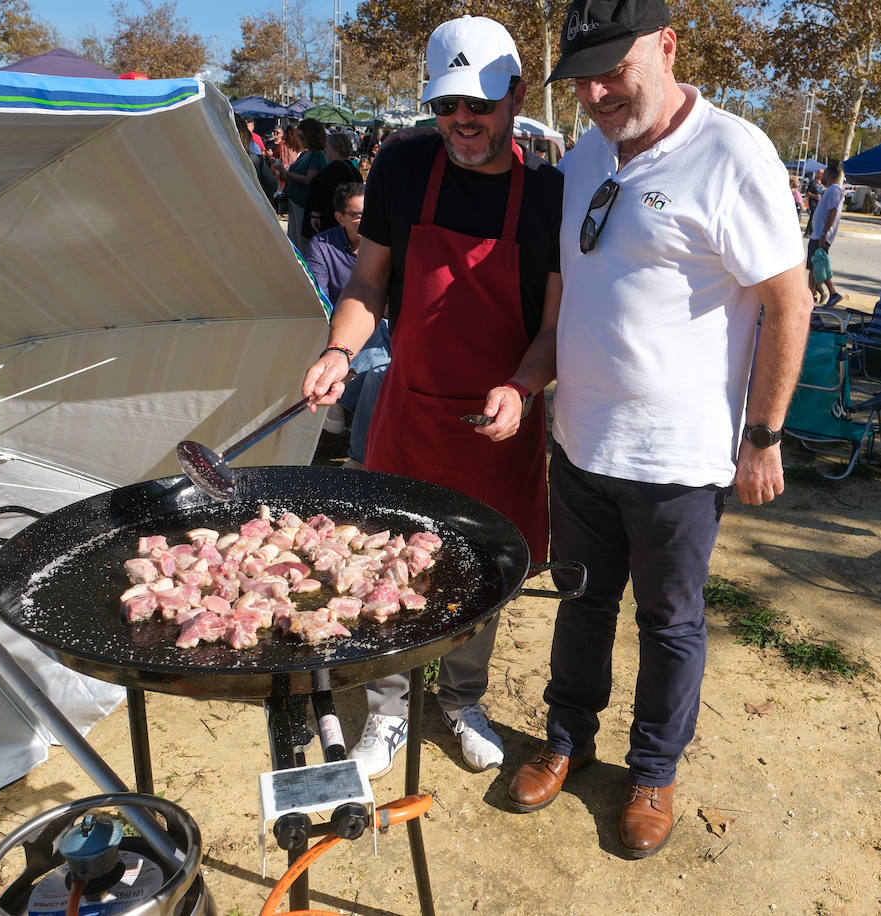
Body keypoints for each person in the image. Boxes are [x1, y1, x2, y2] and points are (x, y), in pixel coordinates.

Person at [506, 0, 812, 860]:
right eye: (584, 76)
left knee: (670, 623)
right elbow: (568, 289)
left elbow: (790, 303)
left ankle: (652, 773)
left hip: (678, 459)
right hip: (580, 443)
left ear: (669, 46)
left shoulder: (733, 152)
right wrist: (536, 382)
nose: (598, 91)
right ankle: (567, 738)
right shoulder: (580, 159)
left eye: (616, 68)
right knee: (580, 603)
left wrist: (764, 435)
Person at [299, 15, 563, 779]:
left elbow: (551, 327)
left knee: (479, 570)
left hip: (499, 421)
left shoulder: (546, 193)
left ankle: (461, 697)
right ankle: (387, 708)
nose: (461, 122)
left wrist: (522, 386)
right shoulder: (405, 168)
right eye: (447, 106)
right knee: (389, 561)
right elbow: (368, 282)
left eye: (478, 105)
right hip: (410, 410)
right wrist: (338, 349)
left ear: (515, 95)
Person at [303, 182, 393, 453]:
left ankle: (341, 413)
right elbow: (319, 301)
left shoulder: (387, 243)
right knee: (379, 367)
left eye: (370, 212)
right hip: (346, 334)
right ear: (340, 218)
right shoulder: (322, 245)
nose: (365, 221)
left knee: (380, 368)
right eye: (356, 215)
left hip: (385, 331)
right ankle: (358, 451)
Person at [273, 117, 327, 250]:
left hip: (303, 205)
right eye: (299, 136)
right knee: (294, 240)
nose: (300, 139)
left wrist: (285, 172)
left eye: (302, 136)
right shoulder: (305, 154)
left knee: (302, 244)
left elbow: (310, 180)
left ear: (311, 136)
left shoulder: (317, 155)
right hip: (294, 202)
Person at [306, 132, 363, 237]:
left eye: (328, 147)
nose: (325, 150)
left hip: (329, 223)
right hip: (345, 220)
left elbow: (321, 192)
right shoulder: (353, 170)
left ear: (337, 150)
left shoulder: (333, 170)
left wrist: (315, 215)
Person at [808, 164, 843, 307]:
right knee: (814, 266)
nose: (822, 176)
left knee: (817, 265)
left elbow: (832, 212)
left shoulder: (834, 190)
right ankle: (811, 295)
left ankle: (831, 293)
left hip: (821, 236)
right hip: (817, 234)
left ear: (831, 174)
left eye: (825, 173)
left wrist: (824, 233)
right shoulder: (830, 190)